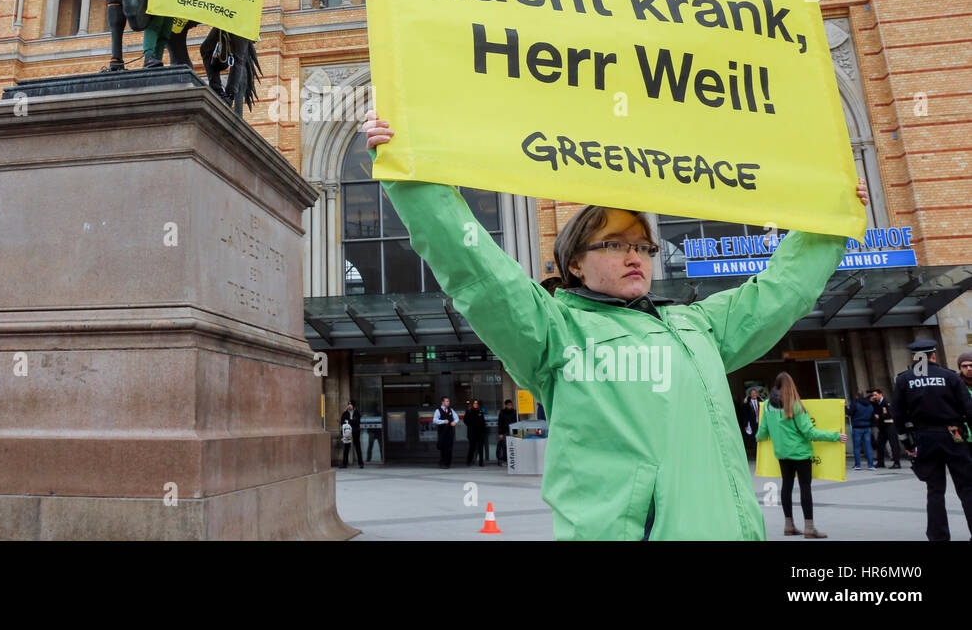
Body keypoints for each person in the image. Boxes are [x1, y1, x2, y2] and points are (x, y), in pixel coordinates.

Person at [363, 109, 869, 540]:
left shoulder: (698, 327)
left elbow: (781, 292)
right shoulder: (554, 332)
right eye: (615, 244)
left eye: (644, 247)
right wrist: (412, 176)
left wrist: (830, 222)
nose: (636, 257)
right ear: (575, 263)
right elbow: (479, 271)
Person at [892, 339, 972, 541]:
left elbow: (898, 415)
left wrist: (907, 443)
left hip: (925, 437)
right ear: (934, 355)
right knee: (967, 488)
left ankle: (938, 537)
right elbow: (969, 410)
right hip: (953, 434)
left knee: (935, 490)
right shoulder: (950, 377)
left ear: (914, 358)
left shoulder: (904, 380)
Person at [756, 372, 847, 538]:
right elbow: (809, 432)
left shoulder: (768, 406)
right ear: (791, 385)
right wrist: (835, 436)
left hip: (782, 454)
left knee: (787, 486)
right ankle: (809, 528)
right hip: (801, 454)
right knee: (805, 487)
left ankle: (789, 526)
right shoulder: (795, 405)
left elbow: (761, 433)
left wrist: (758, 438)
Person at [870, 389, 903, 469]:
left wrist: (879, 416)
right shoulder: (877, 403)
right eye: (873, 395)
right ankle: (880, 462)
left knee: (893, 444)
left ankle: (897, 463)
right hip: (882, 426)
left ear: (881, 394)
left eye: (875, 395)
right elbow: (875, 410)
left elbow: (888, 414)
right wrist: (871, 402)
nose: (874, 397)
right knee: (879, 444)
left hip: (890, 425)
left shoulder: (886, 402)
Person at [847, 390, 876, 470]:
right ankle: (871, 465)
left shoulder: (855, 403)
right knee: (868, 446)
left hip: (857, 428)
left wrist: (845, 407)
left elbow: (849, 413)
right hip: (867, 427)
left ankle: (858, 465)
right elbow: (873, 417)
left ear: (856, 396)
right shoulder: (870, 404)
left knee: (857, 447)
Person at [432, 397, 458, 468]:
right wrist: (443, 421)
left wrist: (454, 422)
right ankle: (443, 462)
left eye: (448, 401)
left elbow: (456, 417)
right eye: (447, 401)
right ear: (442, 402)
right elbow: (434, 420)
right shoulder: (438, 410)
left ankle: (447, 463)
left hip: (449, 431)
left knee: (449, 447)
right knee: (443, 447)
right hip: (442, 431)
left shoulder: (451, 410)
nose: (448, 402)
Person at [737, 387, 763, 455]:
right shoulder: (746, 403)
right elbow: (744, 415)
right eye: (752, 393)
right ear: (750, 395)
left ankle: (762, 453)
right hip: (752, 424)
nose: (754, 394)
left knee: (761, 438)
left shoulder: (761, 402)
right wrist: (745, 425)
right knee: (754, 439)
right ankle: (756, 453)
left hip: (761, 423)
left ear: (757, 394)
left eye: (755, 393)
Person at [340, 401, 364, 469]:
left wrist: (348, 421)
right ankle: (344, 464)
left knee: (358, 448)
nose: (349, 406)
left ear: (353, 406)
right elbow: (342, 422)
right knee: (346, 448)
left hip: (356, 432)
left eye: (350, 405)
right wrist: (352, 421)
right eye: (348, 405)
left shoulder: (357, 412)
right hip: (347, 432)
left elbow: (357, 421)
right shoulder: (345, 413)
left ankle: (361, 463)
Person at [464, 399, 487, 467]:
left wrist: (483, 432)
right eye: (474, 403)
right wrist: (471, 427)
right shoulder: (468, 411)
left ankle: (481, 462)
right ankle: (469, 461)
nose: (476, 404)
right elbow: (466, 421)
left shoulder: (480, 411)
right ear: (472, 404)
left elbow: (483, 422)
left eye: (477, 403)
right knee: (472, 448)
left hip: (480, 433)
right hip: (472, 433)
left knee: (480, 448)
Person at [497, 398, 518, 465]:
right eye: (509, 405)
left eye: (511, 405)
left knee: (513, 446)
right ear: (505, 405)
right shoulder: (502, 412)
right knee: (505, 446)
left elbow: (517, 422)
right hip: (505, 431)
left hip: (513, 432)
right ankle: (505, 460)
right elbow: (500, 423)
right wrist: (500, 433)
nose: (510, 406)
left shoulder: (514, 412)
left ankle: (513, 460)